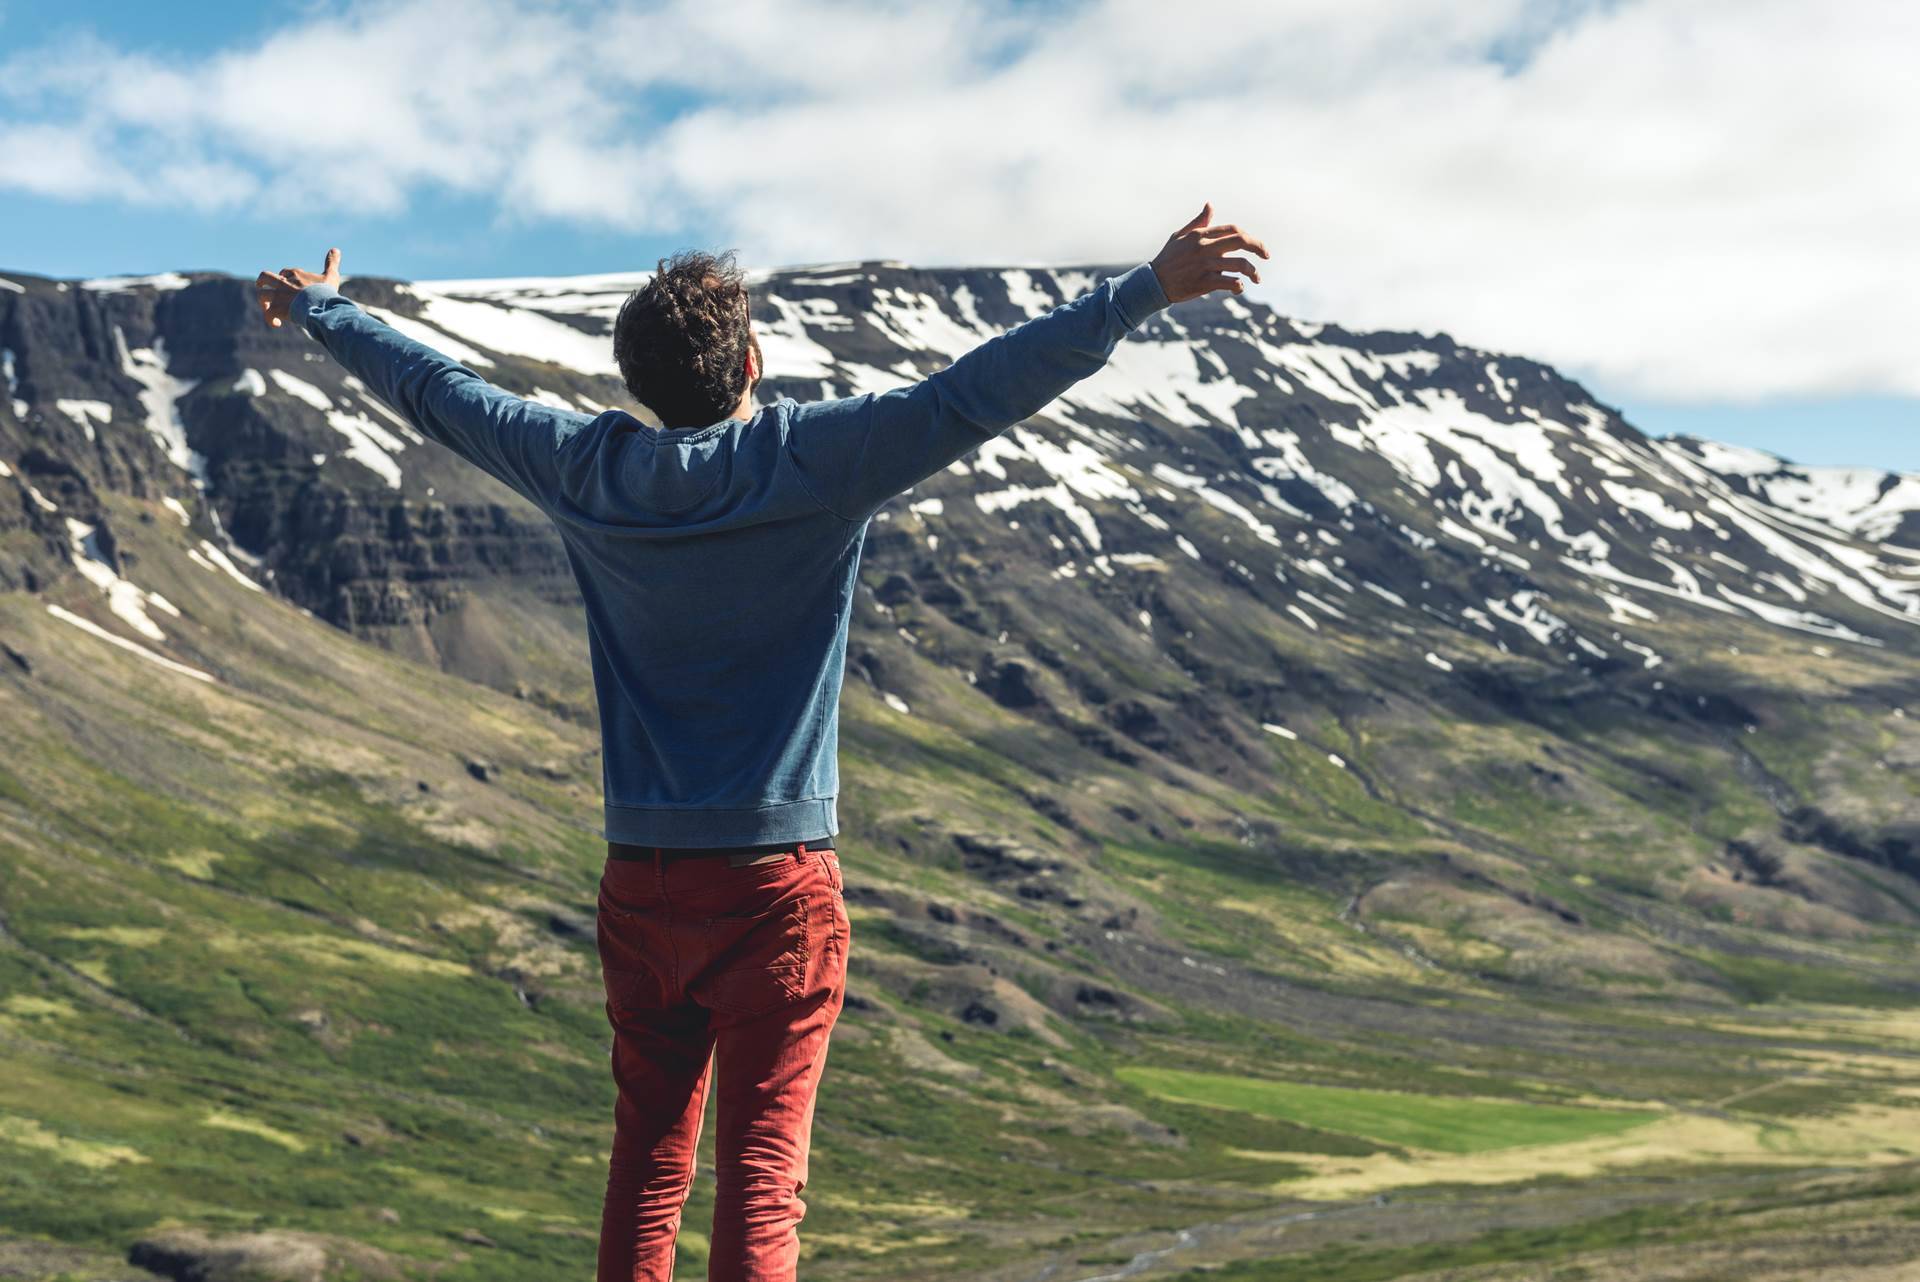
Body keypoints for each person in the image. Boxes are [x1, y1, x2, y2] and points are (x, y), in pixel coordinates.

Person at [254, 203, 1268, 1282]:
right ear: (751, 361)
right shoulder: (814, 460)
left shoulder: (580, 468)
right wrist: (1144, 287)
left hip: (640, 881)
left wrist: (325, 311)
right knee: (761, 1175)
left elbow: (442, 393)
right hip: (775, 887)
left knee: (647, 1164)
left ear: (636, 380)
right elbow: (978, 391)